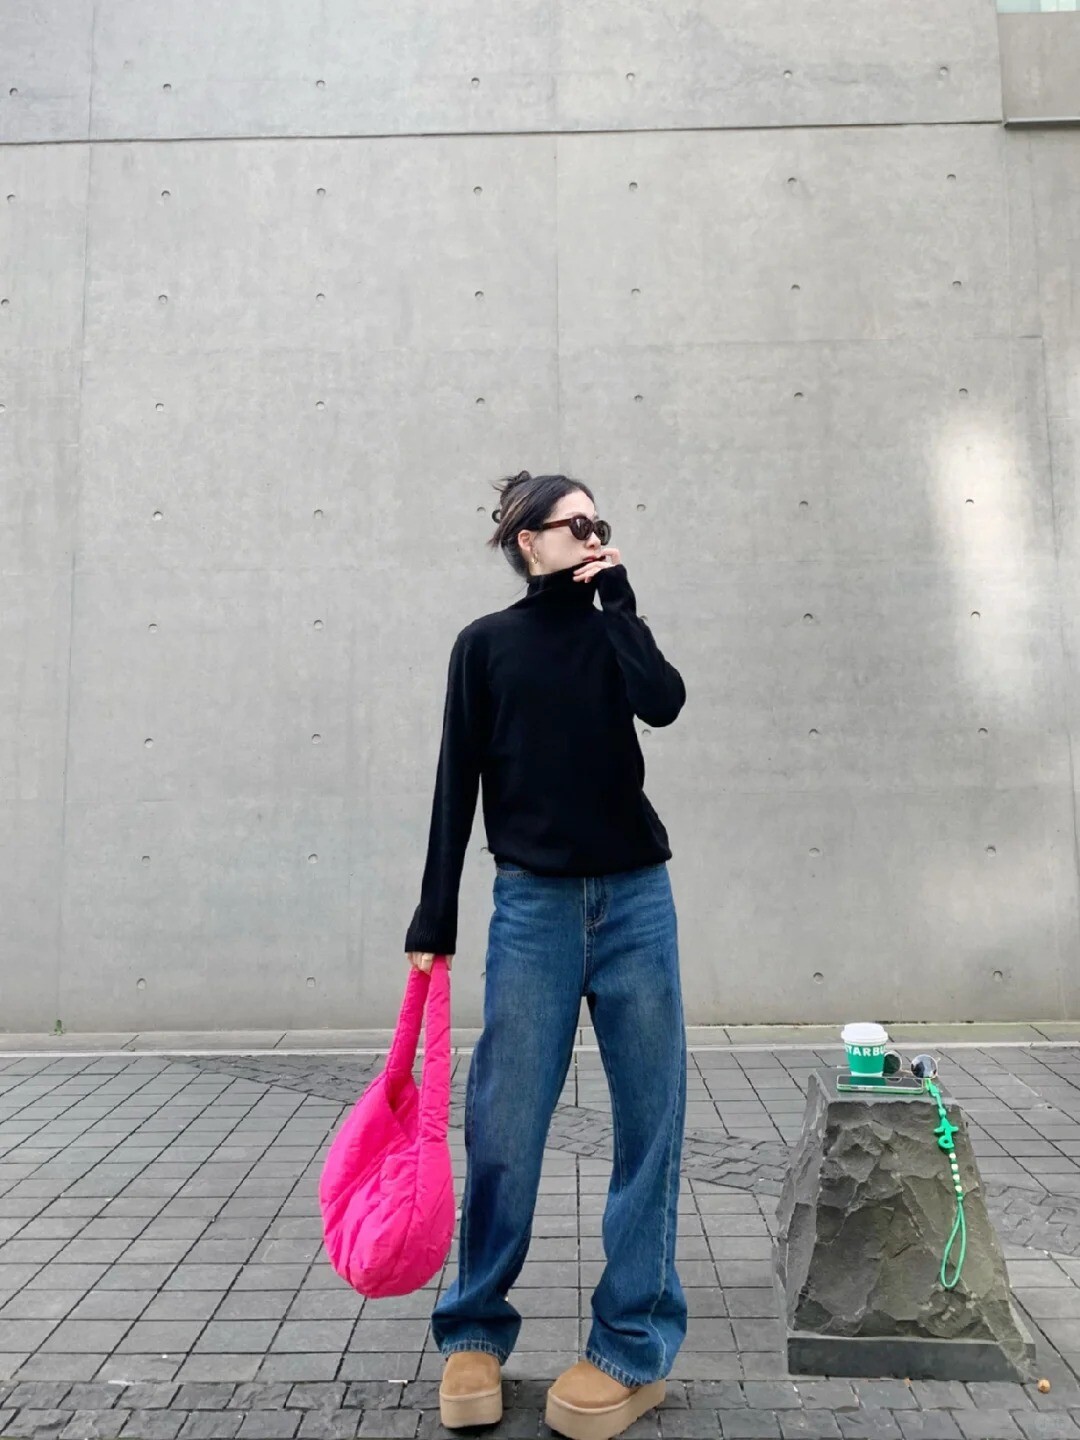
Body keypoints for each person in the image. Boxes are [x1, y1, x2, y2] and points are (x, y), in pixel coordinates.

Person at [404, 470, 688, 1440]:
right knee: (503, 1128)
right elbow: (456, 785)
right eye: (576, 523)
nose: (593, 533)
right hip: (532, 909)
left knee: (653, 1125)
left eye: (601, 521)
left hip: (638, 901)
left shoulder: (615, 629)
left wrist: (622, 605)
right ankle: (474, 1329)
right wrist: (432, 920)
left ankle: (633, 1347)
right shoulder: (485, 647)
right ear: (528, 540)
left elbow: (667, 703)